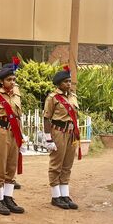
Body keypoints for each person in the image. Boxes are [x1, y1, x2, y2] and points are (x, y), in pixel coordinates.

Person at [0, 59, 26, 215]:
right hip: (1, 131)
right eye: (9, 80)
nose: (12, 82)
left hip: (14, 132)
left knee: (11, 166)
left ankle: (8, 198)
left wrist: (22, 135)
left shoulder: (16, 96)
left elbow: (18, 117)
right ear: (1, 81)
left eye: (13, 79)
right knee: (1, 167)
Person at [42, 65, 81, 210]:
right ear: (58, 84)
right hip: (58, 131)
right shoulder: (52, 98)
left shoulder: (73, 97)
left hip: (71, 133)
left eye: (70, 81)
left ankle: (65, 195)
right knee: (56, 164)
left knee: (67, 164)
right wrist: (48, 138)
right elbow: (46, 118)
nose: (68, 84)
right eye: (65, 82)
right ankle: (55, 196)